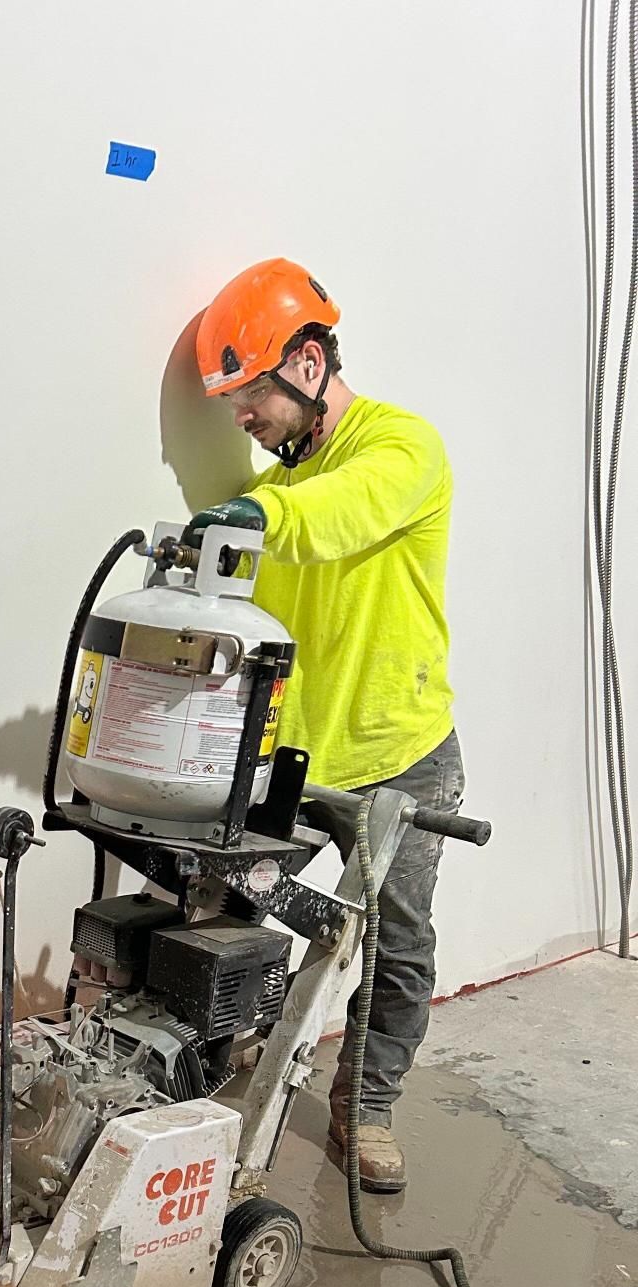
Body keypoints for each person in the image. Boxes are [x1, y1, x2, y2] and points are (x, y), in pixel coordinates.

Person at [182, 258, 463, 1194]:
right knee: (221, 902)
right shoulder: (281, 495)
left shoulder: (402, 449)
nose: (241, 417)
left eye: (250, 392)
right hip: (295, 761)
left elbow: (342, 514)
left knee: (394, 939)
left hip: (401, 760)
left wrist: (255, 512)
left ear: (306, 364)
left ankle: (367, 1109)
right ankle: (209, 1068)